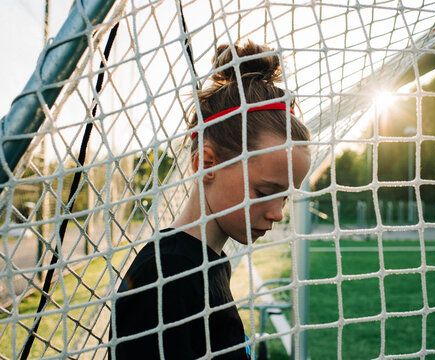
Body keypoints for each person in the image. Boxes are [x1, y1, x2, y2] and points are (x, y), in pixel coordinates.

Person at [109, 40, 311, 359]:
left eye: (285, 197)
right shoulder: (167, 275)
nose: (278, 214)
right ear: (207, 164)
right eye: (265, 192)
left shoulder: (207, 262)